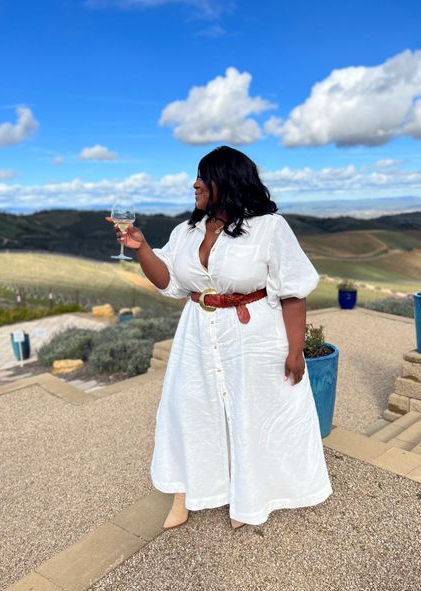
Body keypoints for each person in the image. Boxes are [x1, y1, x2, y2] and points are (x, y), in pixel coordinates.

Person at [108, 146, 333, 530]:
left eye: (203, 176)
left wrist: (295, 351)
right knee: (189, 409)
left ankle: (250, 497)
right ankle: (185, 493)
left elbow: (294, 291)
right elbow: (170, 281)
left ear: (227, 181)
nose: (194, 183)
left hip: (255, 335)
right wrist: (142, 247)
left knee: (252, 412)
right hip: (197, 332)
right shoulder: (186, 231)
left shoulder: (269, 227)